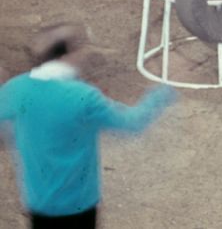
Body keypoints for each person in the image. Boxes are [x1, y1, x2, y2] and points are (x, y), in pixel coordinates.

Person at [0, 22, 176, 228]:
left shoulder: (15, 90)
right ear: (66, 56)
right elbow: (132, 122)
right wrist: (164, 90)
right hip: (78, 204)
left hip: (38, 202)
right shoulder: (83, 97)